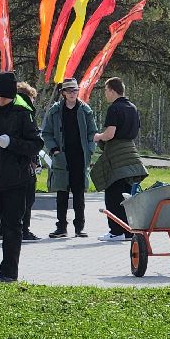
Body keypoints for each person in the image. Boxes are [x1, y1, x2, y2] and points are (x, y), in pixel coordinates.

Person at [0, 71, 43, 283]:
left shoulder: (23, 113)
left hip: (17, 179)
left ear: (12, 96)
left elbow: (36, 145)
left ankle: (9, 272)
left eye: (3, 97)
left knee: (13, 228)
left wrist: (10, 142)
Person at [91, 76, 149, 243]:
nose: (105, 95)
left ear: (111, 90)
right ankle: (128, 231)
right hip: (131, 153)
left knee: (112, 194)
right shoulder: (133, 107)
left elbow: (110, 134)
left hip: (117, 156)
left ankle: (116, 231)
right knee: (127, 196)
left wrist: (97, 137)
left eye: (106, 91)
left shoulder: (114, 109)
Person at [41, 77, 98, 238]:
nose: (73, 93)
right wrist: (54, 150)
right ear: (63, 93)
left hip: (80, 157)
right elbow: (47, 133)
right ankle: (61, 227)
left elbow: (92, 133)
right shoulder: (55, 111)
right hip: (61, 158)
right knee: (62, 193)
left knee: (79, 194)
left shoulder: (85, 110)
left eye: (75, 90)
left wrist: (90, 149)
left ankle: (79, 227)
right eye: (69, 90)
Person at [14, 81, 43, 240]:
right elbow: (31, 140)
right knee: (26, 198)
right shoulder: (24, 114)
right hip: (24, 164)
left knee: (26, 198)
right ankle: (23, 229)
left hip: (24, 163)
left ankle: (23, 228)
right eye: (31, 98)